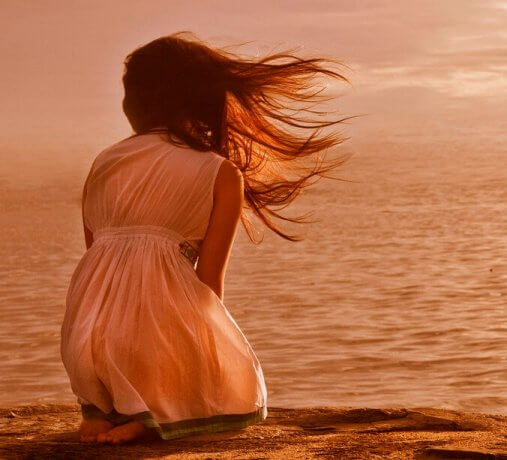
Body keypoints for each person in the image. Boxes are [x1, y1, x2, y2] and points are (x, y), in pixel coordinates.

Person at [60, 31, 355, 444]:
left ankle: (98, 409)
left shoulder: (104, 161)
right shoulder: (219, 172)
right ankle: (153, 413)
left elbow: (98, 259)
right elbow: (209, 284)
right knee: (202, 342)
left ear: (134, 102)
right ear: (196, 99)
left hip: (85, 336)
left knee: (115, 316)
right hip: (151, 339)